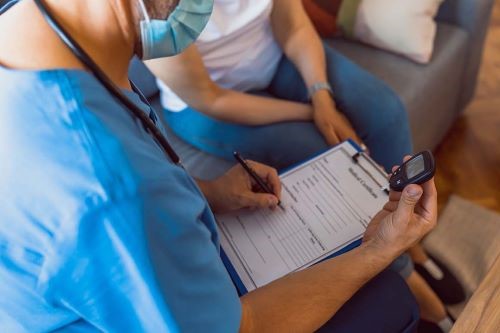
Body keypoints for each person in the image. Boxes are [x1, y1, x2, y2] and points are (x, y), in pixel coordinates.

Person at [0, 0, 435, 331]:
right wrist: (377, 251)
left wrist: (209, 193)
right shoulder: (109, 186)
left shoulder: (40, 31)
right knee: (390, 302)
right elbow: (241, 326)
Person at [146, 0, 456, 331]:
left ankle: (413, 244)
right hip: (208, 105)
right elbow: (211, 98)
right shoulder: (157, 12)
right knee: (323, 150)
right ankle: (406, 271)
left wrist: (320, 93)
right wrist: (311, 112)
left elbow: (292, 23)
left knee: (386, 112)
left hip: (275, 57)